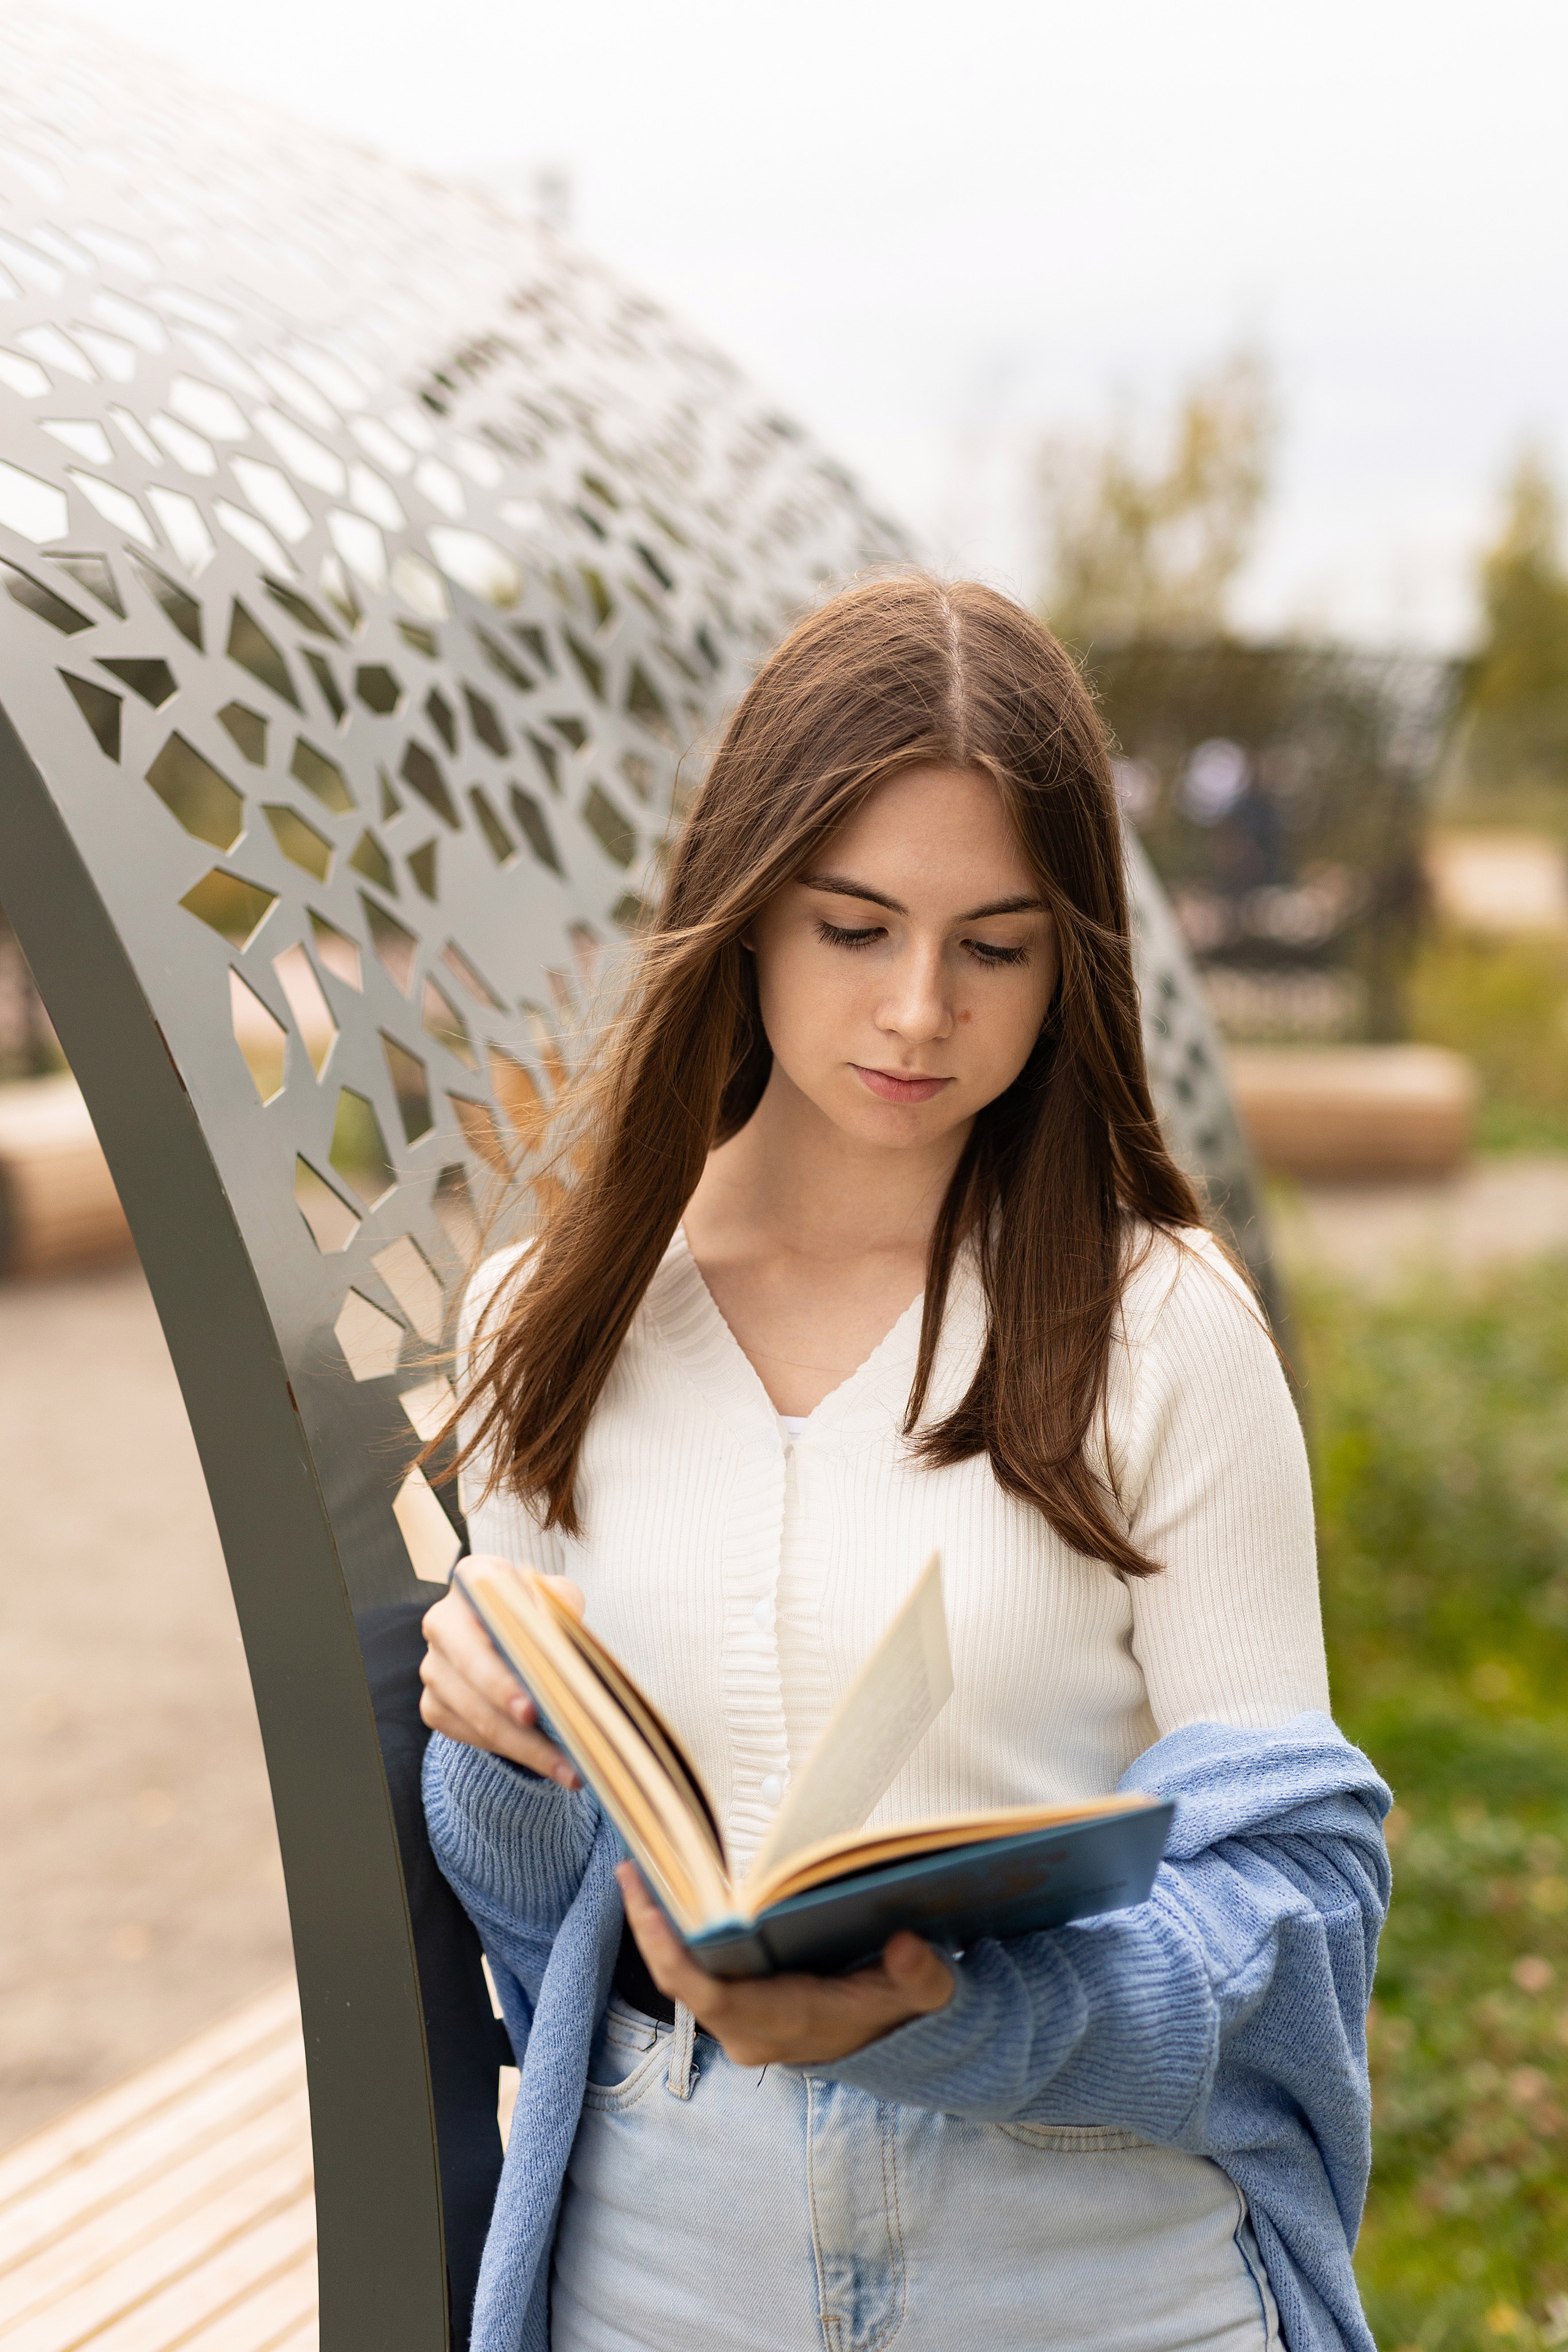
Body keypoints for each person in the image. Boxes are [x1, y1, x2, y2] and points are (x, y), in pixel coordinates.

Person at [418, 574, 1390, 2352]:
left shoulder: (1161, 1328)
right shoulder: (549, 1327)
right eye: (855, 928)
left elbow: (1297, 1925)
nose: (922, 1011)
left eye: (996, 945)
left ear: (1064, 958)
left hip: (1091, 2273)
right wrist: (488, 1752)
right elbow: (551, 1947)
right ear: (748, 915)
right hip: (666, 2276)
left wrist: (934, 2016)